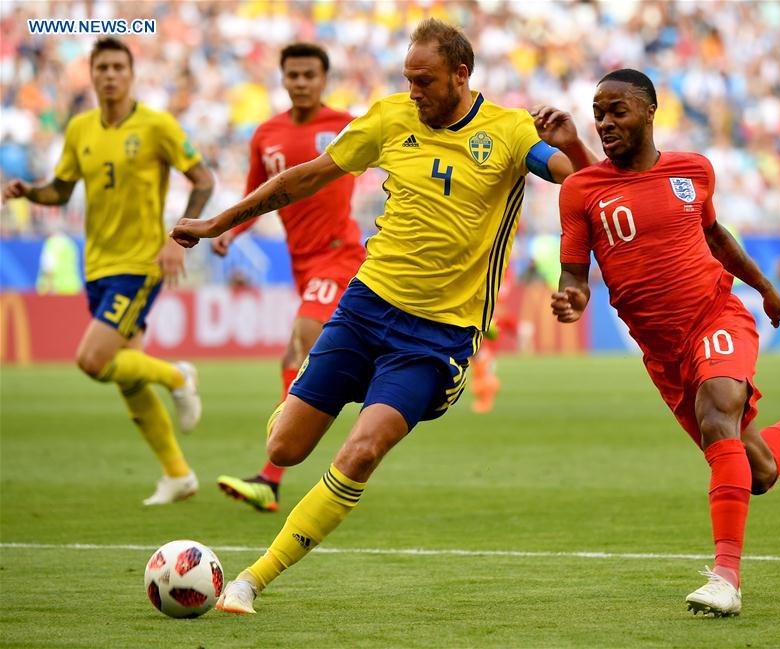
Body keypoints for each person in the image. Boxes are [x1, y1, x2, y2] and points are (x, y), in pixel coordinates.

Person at [172, 18, 597, 614]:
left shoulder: (508, 130)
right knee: (285, 448)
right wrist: (219, 222)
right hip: (366, 307)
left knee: (362, 450)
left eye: (425, 81)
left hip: (437, 337)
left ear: (461, 74)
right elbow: (307, 177)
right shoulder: (390, 116)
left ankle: (251, 580)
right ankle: (316, 397)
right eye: (408, 79)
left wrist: (573, 149)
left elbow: (579, 182)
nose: (413, 92)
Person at [551, 69, 780, 617]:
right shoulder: (581, 190)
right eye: (598, 113)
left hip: (715, 316)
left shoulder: (693, 170)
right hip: (663, 353)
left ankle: (725, 578)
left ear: (650, 111)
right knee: (759, 471)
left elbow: (716, 236)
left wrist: (766, 289)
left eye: (617, 111)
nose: (605, 122)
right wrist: (573, 298)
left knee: (717, 411)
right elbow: (574, 274)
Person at [2, 38, 214, 505]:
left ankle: (178, 376)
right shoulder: (80, 128)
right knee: (127, 377)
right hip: (96, 264)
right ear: (92, 74)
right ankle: (178, 474)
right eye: (103, 67)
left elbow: (203, 179)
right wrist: (29, 192)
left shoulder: (157, 125)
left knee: (92, 360)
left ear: (131, 75)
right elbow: (60, 191)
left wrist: (179, 237)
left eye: (119, 67)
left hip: (140, 263)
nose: (111, 75)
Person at [214, 43, 364, 513]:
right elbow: (256, 196)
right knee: (293, 356)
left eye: (309, 75)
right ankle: (274, 476)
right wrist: (230, 232)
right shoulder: (267, 134)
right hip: (302, 262)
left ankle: (275, 470)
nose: (301, 82)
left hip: (340, 254)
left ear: (323, 80)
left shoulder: (347, 126)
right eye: (293, 75)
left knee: (303, 337)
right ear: (282, 79)